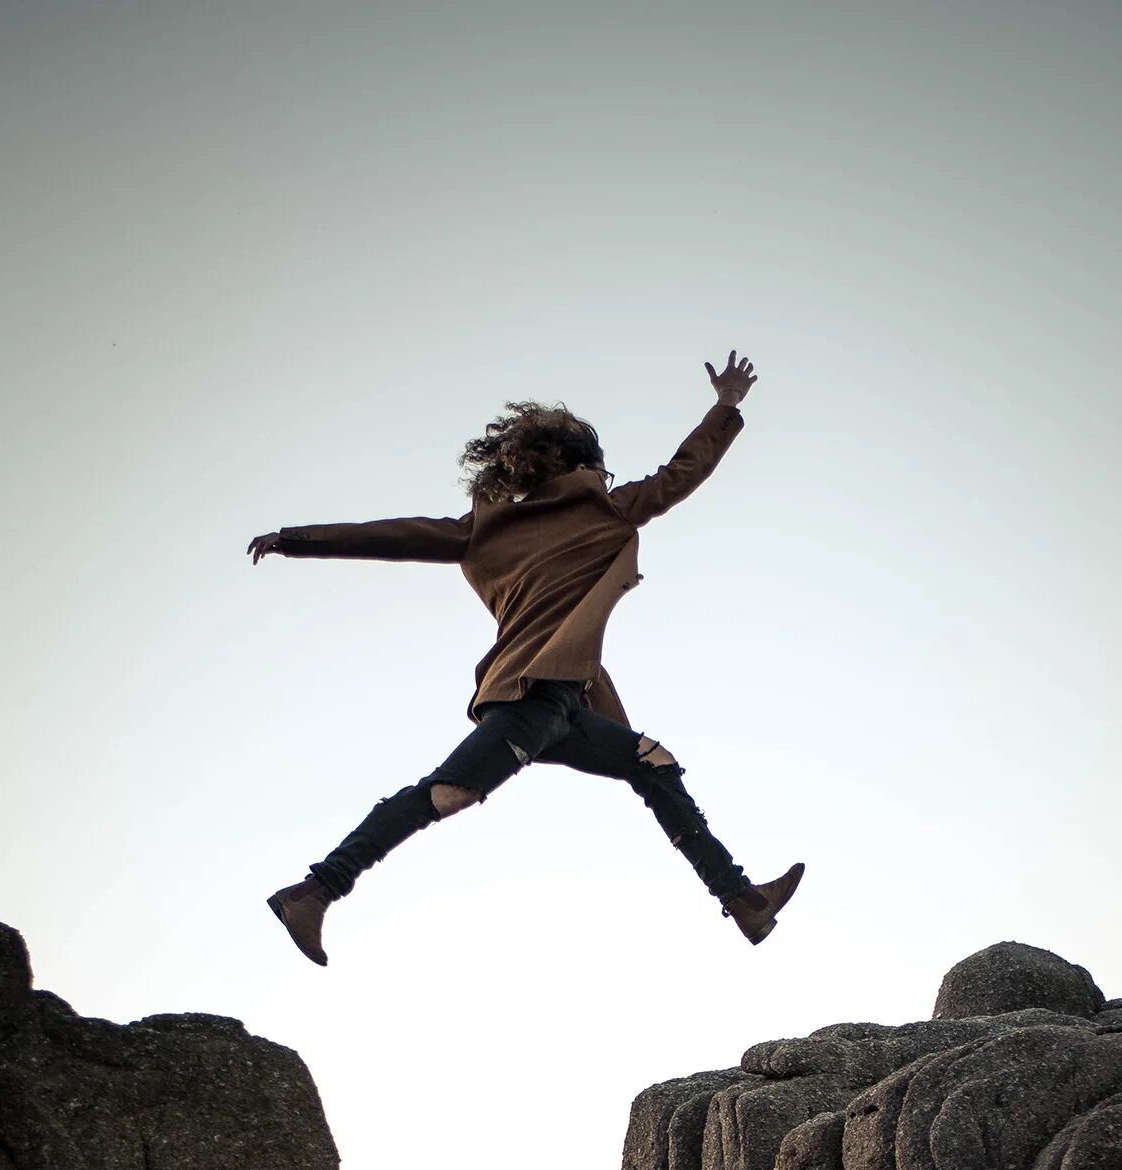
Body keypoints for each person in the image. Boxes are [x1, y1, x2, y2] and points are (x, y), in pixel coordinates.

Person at [248, 350, 803, 965]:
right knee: (448, 792)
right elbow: (682, 473)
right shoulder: (604, 509)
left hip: (566, 702)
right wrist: (724, 407)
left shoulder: (485, 528)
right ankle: (316, 890)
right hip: (530, 697)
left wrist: (296, 540)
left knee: (653, 764)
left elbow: (390, 533)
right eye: (602, 466)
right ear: (584, 466)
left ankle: (743, 900)